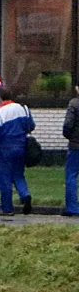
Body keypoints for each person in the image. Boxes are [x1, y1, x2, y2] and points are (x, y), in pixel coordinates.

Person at [0, 87, 35, 216]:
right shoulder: (22, 109)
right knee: (19, 175)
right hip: (21, 146)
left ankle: (7, 208)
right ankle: (25, 194)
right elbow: (31, 126)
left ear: (0, 98)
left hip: (5, 149)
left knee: (5, 179)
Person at [63, 85, 79, 217]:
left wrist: (69, 136)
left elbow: (68, 125)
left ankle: (72, 207)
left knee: (71, 175)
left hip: (76, 145)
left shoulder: (74, 103)